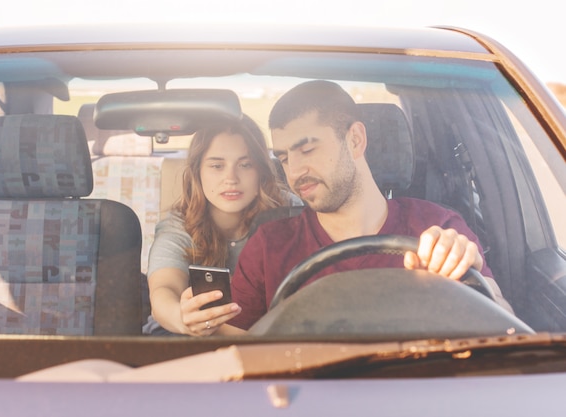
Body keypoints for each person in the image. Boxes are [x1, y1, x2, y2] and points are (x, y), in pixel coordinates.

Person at [227, 80, 512, 331]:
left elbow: (506, 325)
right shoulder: (269, 246)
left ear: (355, 140)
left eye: (307, 150)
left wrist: (470, 277)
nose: (295, 171)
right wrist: (188, 319)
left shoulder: (436, 230)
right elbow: (234, 350)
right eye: (285, 158)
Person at [145, 114, 296, 336]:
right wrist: (183, 318)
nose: (231, 178)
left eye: (245, 165)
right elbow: (163, 289)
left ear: (261, 171)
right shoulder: (180, 226)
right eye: (217, 165)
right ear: (198, 172)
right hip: (187, 341)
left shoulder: (291, 212)